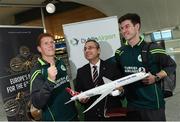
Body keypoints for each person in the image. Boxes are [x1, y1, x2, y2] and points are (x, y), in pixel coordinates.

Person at [115, 13, 176, 121]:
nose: (124, 30)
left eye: (127, 26)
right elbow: (120, 75)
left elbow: (171, 65)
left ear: (137, 26)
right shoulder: (120, 52)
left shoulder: (153, 48)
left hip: (153, 105)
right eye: (121, 28)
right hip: (132, 105)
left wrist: (156, 77)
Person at [29, 33, 78, 121]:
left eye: (52, 42)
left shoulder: (60, 63)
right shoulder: (37, 71)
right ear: (39, 49)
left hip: (73, 116)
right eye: (46, 43)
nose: (50, 45)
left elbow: (65, 87)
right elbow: (37, 103)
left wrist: (76, 95)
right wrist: (50, 80)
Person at [75, 39, 125, 121]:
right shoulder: (81, 71)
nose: (87, 50)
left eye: (90, 48)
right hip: (92, 117)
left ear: (98, 50)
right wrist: (81, 99)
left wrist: (121, 91)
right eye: (85, 49)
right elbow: (78, 92)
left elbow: (123, 90)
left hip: (112, 115)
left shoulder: (112, 67)